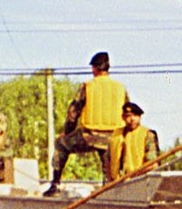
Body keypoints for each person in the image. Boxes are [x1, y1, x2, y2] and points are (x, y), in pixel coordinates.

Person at [46, 52, 128, 194]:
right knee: (109, 169)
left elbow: (73, 113)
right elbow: (128, 111)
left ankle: (55, 185)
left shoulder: (87, 86)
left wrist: (67, 132)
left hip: (89, 135)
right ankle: (108, 191)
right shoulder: (120, 88)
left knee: (61, 144)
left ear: (95, 68)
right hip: (113, 137)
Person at [108, 101, 159, 179]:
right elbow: (107, 163)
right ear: (123, 117)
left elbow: (153, 165)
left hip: (139, 180)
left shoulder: (147, 134)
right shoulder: (115, 136)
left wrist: (135, 174)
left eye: (135, 115)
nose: (132, 119)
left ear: (140, 117)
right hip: (116, 183)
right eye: (128, 116)